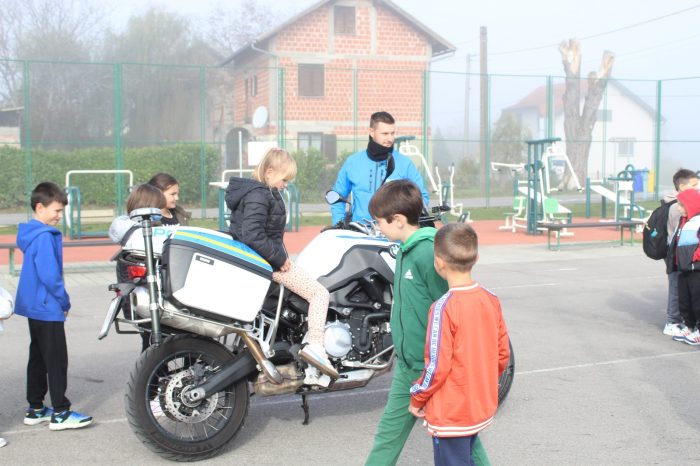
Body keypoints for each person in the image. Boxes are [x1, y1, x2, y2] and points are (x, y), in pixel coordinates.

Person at [365, 179, 490, 466]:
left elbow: (451, 306)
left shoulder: (426, 253)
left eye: (379, 222)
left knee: (464, 440)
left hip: (433, 368)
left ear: (398, 220)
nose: (377, 228)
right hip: (408, 365)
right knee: (388, 435)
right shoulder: (405, 250)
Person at [225, 148, 338, 385]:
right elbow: (252, 235)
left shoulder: (261, 192)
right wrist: (279, 259)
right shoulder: (259, 195)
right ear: (269, 172)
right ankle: (317, 347)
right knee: (319, 294)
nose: (286, 185)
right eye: (284, 179)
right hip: (268, 263)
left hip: (263, 261)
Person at [408, 223, 510, 466]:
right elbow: (502, 353)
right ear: (476, 258)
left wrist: (417, 396)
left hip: (452, 411)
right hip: (480, 404)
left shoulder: (443, 308)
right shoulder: (490, 299)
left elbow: (437, 366)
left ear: (438, 262)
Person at [15, 182, 93, 430]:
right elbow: (50, 276)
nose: (60, 216)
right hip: (48, 307)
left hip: (34, 307)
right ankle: (61, 412)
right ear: (40, 207)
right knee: (57, 360)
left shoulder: (30, 234)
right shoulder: (45, 237)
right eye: (56, 210)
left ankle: (35, 408)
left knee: (38, 358)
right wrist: (64, 301)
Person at [330, 111, 429, 225]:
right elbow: (337, 197)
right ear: (372, 132)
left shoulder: (405, 164)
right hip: (359, 230)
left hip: (394, 233)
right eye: (385, 133)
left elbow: (421, 198)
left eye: (392, 133)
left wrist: (403, 224)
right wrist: (339, 224)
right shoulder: (352, 162)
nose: (390, 138)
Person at [109, 184, 168, 352]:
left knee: (150, 345)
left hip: (135, 302)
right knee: (155, 347)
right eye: (160, 209)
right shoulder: (142, 238)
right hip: (146, 303)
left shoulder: (130, 235)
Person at [662, 169, 698, 338]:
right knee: (679, 291)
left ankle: (686, 324)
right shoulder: (678, 208)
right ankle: (673, 322)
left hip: (685, 257)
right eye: (694, 185)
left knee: (686, 293)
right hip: (681, 257)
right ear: (682, 187)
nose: (697, 188)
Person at [669, 188, 700, 345]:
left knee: (697, 301)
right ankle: (689, 326)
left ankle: (698, 330)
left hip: (696, 269)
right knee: (685, 300)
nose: (679, 208)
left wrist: (695, 257)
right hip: (683, 268)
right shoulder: (683, 221)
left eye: (681, 205)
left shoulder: (698, 221)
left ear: (691, 205)